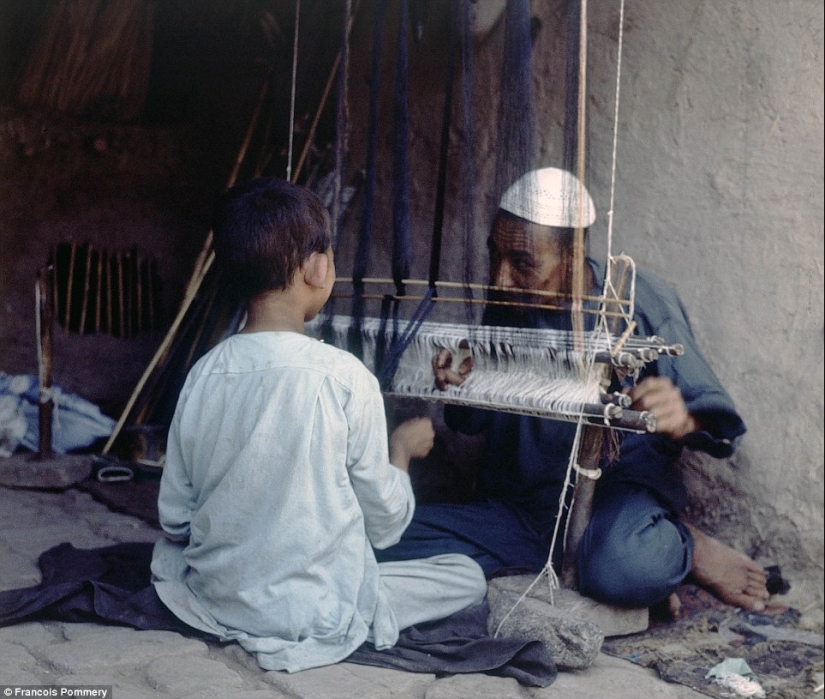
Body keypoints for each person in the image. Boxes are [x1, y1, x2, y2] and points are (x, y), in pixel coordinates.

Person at [375, 167, 770, 616]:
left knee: (623, 567)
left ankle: (681, 543)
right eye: (495, 256)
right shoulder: (510, 300)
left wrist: (684, 420)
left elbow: (719, 427)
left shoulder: (637, 301)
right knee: (380, 539)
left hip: (612, 501)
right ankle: (587, 559)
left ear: (573, 254)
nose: (502, 278)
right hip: (520, 508)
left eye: (523, 262)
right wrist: (460, 384)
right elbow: (472, 423)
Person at [150, 177, 487, 673]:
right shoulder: (346, 378)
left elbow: (175, 518)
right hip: (317, 611)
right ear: (316, 266)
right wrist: (400, 452)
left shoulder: (205, 373)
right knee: (467, 575)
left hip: (216, 600)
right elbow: (386, 525)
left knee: (169, 557)